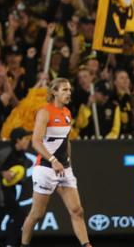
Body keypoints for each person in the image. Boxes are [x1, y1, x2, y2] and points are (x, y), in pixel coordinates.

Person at [20, 78, 92, 247]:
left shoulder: (67, 112)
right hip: (45, 168)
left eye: (69, 90)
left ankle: (86, 245)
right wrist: (53, 161)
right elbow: (36, 141)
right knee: (37, 214)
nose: (69, 93)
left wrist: (68, 164)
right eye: (65, 90)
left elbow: (66, 141)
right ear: (54, 92)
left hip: (64, 169)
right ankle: (23, 244)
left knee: (77, 211)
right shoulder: (44, 112)